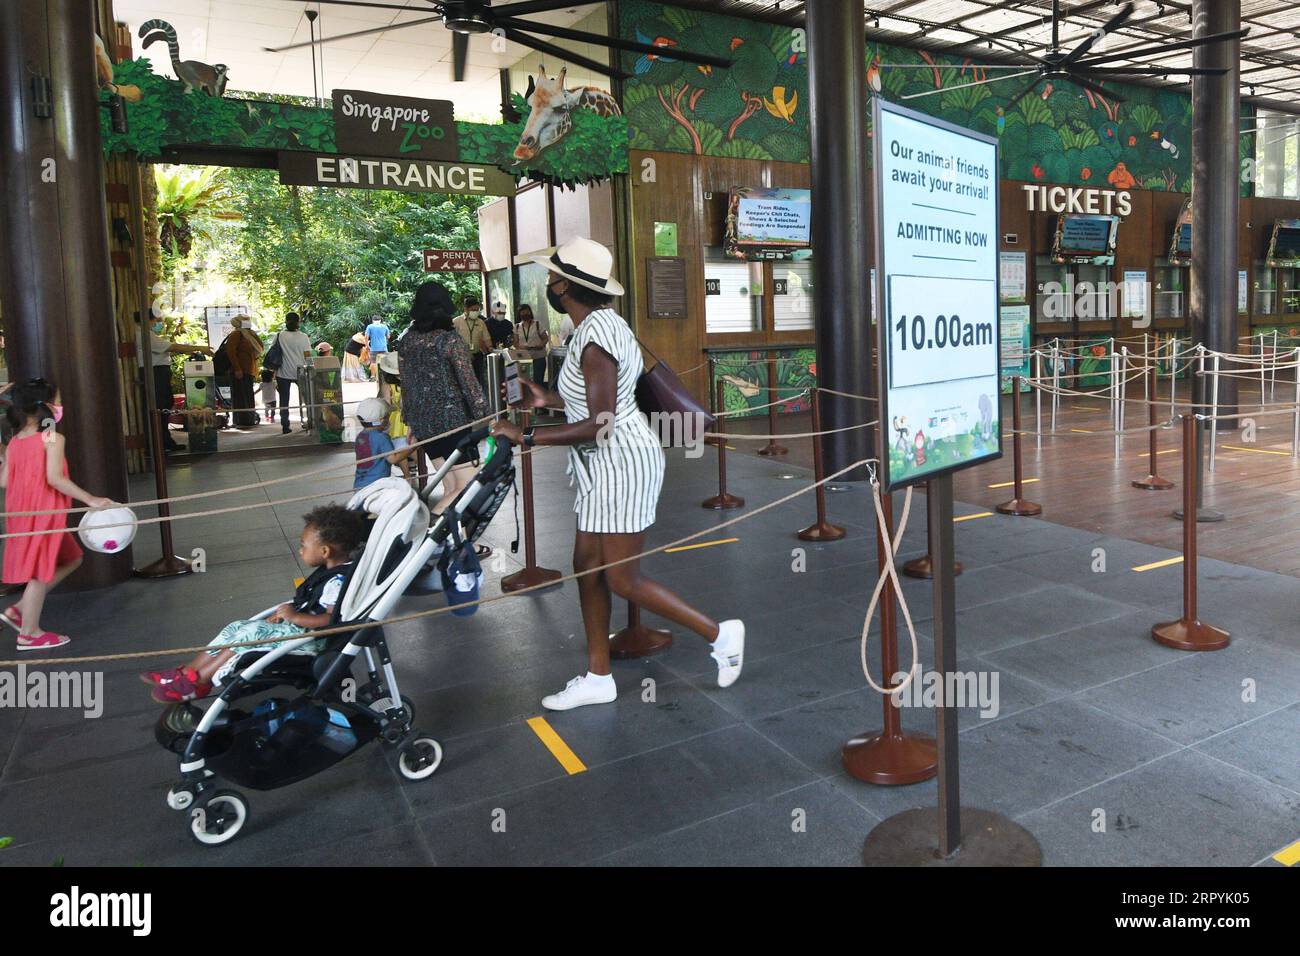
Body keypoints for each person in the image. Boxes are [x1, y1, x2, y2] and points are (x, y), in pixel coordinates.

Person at [491, 238, 744, 711]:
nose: (548, 283)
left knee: (621, 578)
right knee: (587, 568)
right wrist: (547, 400)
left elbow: (601, 422)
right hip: (603, 465)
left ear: (565, 286)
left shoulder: (595, 336)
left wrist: (526, 438)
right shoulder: (598, 326)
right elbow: (599, 402)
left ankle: (721, 634)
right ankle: (598, 675)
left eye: (551, 276)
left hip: (620, 463)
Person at [140, 504, 367, 702]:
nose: (300, 550)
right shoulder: (330, 572)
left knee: (247, 635)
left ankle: (200, 680)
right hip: (299, 630)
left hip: (309, 641)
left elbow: (330, 618)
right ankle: (189, 672)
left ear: (325, 551)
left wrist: (295, 617)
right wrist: (287, 616)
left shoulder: (337, 582)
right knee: (237, 627)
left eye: (303, 545)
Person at [1, 378, 114, 651]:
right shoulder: (52, 436)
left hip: (21, 513)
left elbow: (4, 481)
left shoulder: (16, 441)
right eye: (58, 400)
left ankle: (20, 610)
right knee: (40, 574)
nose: (60, 406)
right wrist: (91, 499)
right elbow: (54, 478)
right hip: (43, 514)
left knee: (72, 558)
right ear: (45, 407)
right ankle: (29, 634)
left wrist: (4, 457)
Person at [399, 282, 488, 516]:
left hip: (426, 427)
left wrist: (411, 421)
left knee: (450, 486)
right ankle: (433, 535)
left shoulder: (407, 341)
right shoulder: (450, 341)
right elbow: (469, 384)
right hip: (454, 425)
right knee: (468, 486)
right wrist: (487, 417)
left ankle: (461, 543)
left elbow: (407, 385)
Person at [148, 316, 211, 452]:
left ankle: (165, 440)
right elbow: (172, 346)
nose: (159, 323)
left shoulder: (149, 335)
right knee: (160, 407)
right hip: (156, 374)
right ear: (149, 319)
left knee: (165, 405)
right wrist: (201, 348)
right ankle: (161, 443)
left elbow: (168, 349)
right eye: (156, 320)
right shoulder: (145, 335)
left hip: (160, 373)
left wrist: (189, 350)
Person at [352, 397, 410, 490]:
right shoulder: (381, 437)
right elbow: (393, 459)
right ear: (382, 420)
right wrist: (412, 447)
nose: (389, 420)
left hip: (359, 485)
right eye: (388, 416)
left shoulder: (360, 436)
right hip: (377, 487)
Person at [272, 312, 313, 435]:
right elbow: (307, 355)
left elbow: (274, 351)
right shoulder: (304, 337)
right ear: (298, 322)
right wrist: (310, 367)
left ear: (285, 321)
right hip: (300, 371)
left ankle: (285, 426)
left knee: (284, 400)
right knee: (307, 398)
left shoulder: (279, 335)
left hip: (282, 373)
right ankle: (311, 421)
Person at [222, 315, 263, 427]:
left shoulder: (250, 335)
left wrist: (253, 334)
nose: (248, 322)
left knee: (248, 396)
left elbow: (260, 348)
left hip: (249, 370)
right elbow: (231, 352)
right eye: (245, 321)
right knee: (240, 396)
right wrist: (237, 368)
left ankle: (249, 419)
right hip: (240, 370)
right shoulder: (236, 334)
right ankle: (242, 420)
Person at [377, 352, 412, 479]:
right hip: (412, 419)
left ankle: (407, 476)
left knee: (398, 449)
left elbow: (386, 404)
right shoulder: (411, 381)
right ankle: (422, 473)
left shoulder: (388, 385)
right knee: (412, 447)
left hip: (397, 420)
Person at [453, 295, 492, 389]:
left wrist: (490, 348)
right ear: (466, 309)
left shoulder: (481, 322)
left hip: (477, 356)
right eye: (473, 309)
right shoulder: (456, 322)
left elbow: (487, 338)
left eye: (477, 310)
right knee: (464, 382)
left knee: (478, 381)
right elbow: (452, 340)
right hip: (462, 356)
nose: (475, 312)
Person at [513, 303, 549, 387]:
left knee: (538, 382)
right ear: (519, 314)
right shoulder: (517, 327)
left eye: (527, 312)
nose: (525, 314)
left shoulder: (537, 324)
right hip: (524, 358)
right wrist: (520, 347)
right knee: (525, 383)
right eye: (522, 312)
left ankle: (540, 399)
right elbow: (515, 343)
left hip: (538, 356)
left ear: (530, 313)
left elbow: (545, 338)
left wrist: (541, 345)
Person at [364, 314, 391, 379]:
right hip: (384, 348)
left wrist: (367, 346)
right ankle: (386, 377)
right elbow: (388, 336)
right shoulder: (384, 326)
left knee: (373, 362)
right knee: (385, 362)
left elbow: (366, 337)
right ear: (380, 320)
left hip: (374, 348)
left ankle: (373, 376)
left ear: (373, 320)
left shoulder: (370, 327)